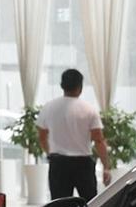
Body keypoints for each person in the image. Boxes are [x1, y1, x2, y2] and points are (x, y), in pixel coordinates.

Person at [38, 68, 111, 200]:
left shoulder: (48, 108)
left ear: (61, 85)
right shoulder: (89, 110)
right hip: (83, 164)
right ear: (80, 87)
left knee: (59, 205)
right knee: (90, 204)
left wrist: (50, 153)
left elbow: (42, 137)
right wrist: (106, 167)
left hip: (58, 164)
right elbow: (99, 140)